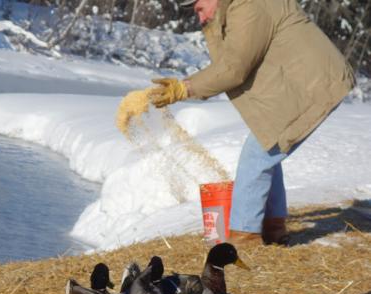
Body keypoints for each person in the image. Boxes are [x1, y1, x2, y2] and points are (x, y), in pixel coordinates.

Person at [149, 0, 354, 245]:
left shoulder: (248, 6)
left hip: (315, 85)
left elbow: (235, 68)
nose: (199, 16)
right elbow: (231, 62)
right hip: (301, 85)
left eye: (199, 8)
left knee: (254, 157)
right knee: (266, 147)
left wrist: (184, 88)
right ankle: (272, 226)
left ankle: (244, 237)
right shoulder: (236, 8)